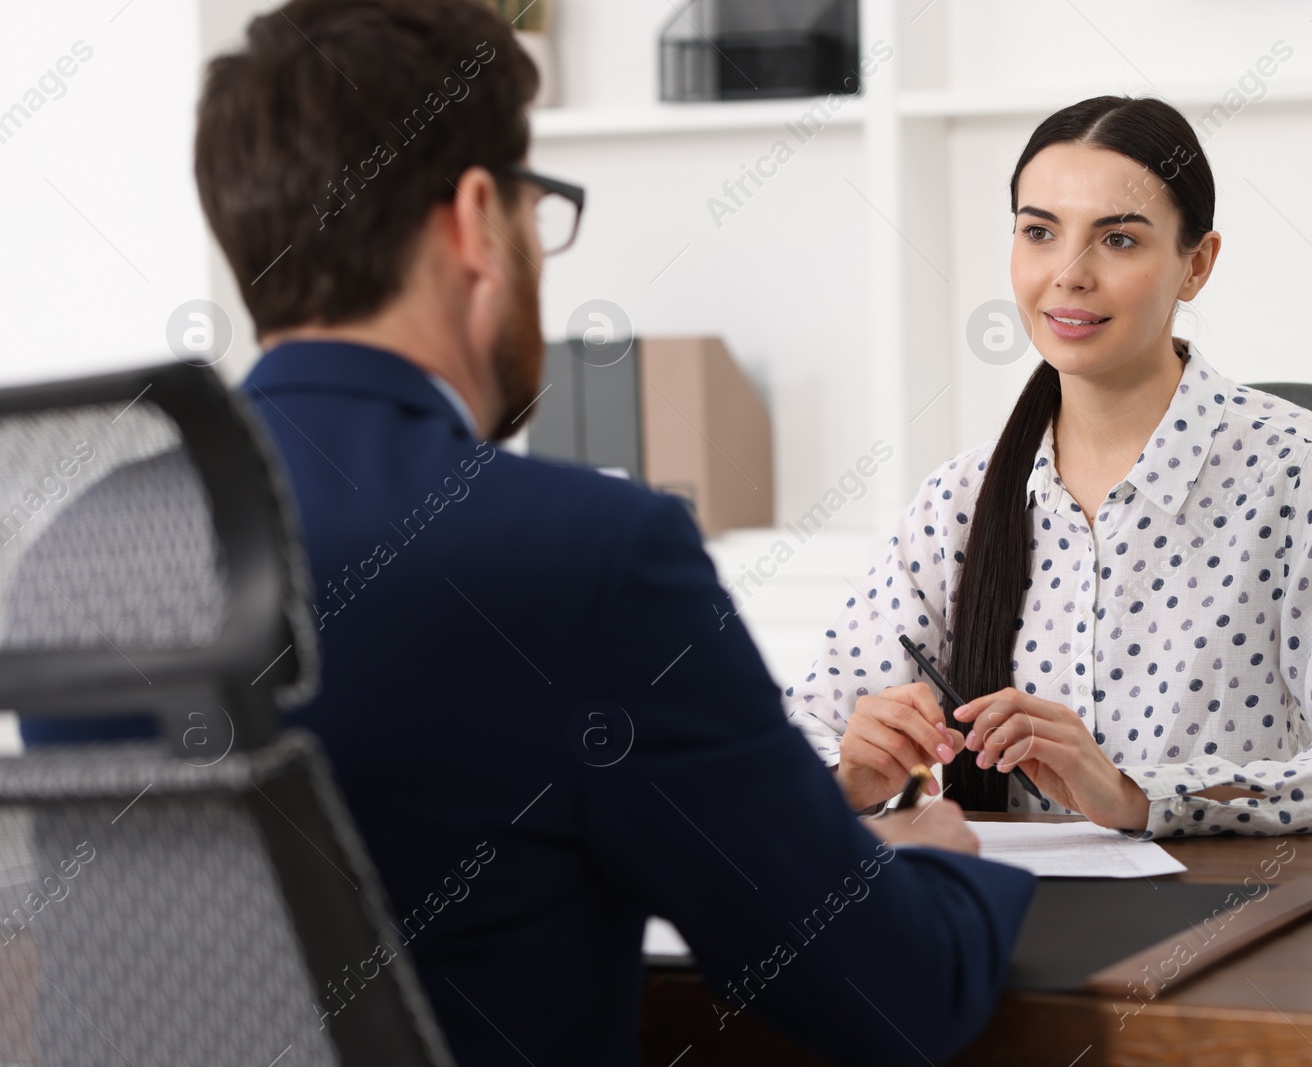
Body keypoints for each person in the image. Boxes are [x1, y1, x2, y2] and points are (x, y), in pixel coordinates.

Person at [22, 1, 1034, 1063]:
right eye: (530, 206)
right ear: (473, 220)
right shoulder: (585, 553)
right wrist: (940, 859)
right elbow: (888, 990)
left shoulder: (74, 558)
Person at [784, 96, 1312, 839]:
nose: (1068, 274)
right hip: (1017, 920)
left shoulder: (1298, 470)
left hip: (1230, 921)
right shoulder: (960, 501)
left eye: (1119, 241)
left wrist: (1141, 794)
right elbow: (796, 727)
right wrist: (848, 776)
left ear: (1196, 265)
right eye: (1039, 232)